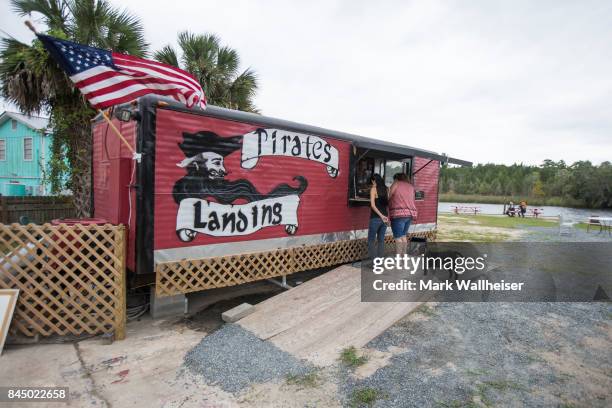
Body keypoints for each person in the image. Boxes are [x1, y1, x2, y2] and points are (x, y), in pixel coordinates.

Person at [389, 173, 418, 255]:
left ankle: (398, 259)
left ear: (397, 178)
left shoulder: (396, 184)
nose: (394, 181)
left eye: (394, 179)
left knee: (398, 238)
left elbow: (389, 196)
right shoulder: (411, 186)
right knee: (403, 236)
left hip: (398, 214)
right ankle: (404, 257)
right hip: (409, 215)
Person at [367, 174, 389, 259]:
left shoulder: (373, 189)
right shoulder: (387, 189)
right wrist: (385, 216)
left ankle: (374, 263)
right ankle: (380, 262)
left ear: (373, 181)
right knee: (381, 240)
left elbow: (373, 205)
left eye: (372, 181)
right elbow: (388, 204)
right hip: (385, 218)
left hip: (375, 218)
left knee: (371, 240)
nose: (372, 183)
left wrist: (380, 215)